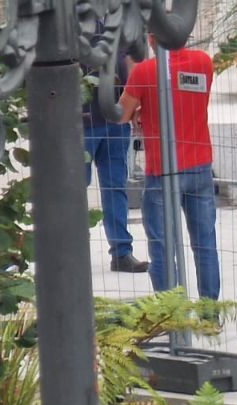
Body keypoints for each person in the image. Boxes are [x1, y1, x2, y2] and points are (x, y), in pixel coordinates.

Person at [116, 39, 220, 299]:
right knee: (205, 244)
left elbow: (120, 114)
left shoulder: (145, 71)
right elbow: (183, 98)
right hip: (200, 166)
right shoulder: (203, 62)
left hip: (162, 171)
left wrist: (140, 108)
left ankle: (171, 315)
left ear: (151, 38)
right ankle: (209, 314)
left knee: (162, 248)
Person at [84, 35, 148, 273]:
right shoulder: (71, 14)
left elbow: (132, 56)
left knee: (116, 186)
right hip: (80, 120)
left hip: (116, 118)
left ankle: (122, 253)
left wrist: (134, 101)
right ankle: (72, 252)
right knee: (74, 190)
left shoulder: (117, 14)